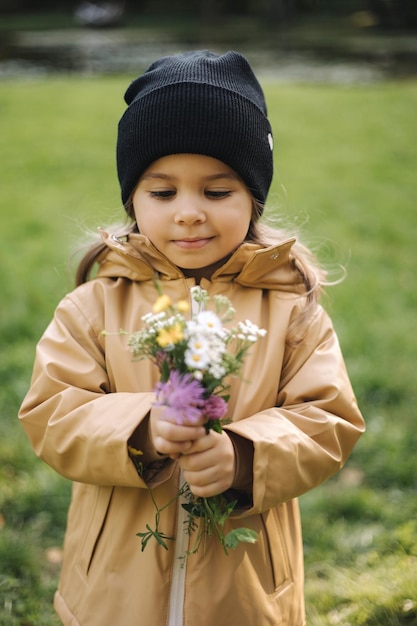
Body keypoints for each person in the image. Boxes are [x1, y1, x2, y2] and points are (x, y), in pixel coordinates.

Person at [19, 50, 365, 626]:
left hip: (244, 592)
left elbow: (328, 420)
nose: (188, 213)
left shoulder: (290, 309)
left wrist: (245, 457)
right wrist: (141, 429)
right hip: (115, 590)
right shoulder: (96, 304)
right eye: (162, 193)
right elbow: (53, 413)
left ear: (253, 197)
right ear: (132, 198)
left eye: (216, 190)